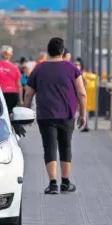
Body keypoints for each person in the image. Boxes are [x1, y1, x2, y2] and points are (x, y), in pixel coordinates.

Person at [24, 38, 87, 194]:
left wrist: (25, 112)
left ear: (48, 51)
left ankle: (53, 184)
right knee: (65, 146)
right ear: (62, 51)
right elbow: (82, 93)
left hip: (45, 114)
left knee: (49, 147)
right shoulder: (72, 68)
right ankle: (65, 182)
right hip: (67, 114)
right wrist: (83, 114)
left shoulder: (39, 69)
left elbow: (28, 94)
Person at [0, 45, 23, 114]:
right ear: (10, 55)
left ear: (0, 54)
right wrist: (20, 100)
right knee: (9, 113)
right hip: (12, 94)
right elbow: (19, 85)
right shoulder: (15, 68)